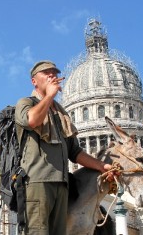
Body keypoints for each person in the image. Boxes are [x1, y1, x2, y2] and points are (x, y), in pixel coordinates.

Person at [15, 60, 114, 235]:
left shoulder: (61, 113)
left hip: (62, 185)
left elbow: (74, 152)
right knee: (38, 232)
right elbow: (31, 120)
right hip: (38, 181)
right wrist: (49, 96)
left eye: (54, 72)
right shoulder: (26, 103)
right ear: (34, 81)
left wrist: (102, 166)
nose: (52, 75)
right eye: (46, 73)